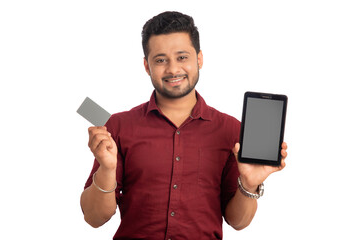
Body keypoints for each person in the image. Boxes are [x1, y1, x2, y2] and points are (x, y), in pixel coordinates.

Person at [80, 11, 288, 240]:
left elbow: (237, 222)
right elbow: (94, 218)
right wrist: (107, 169)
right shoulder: (117, 127)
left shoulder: (231, 130)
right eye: (160, 60)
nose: (173, 69)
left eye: (182, 57)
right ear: (147, 66)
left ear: (199, 59)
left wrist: (248, 186)